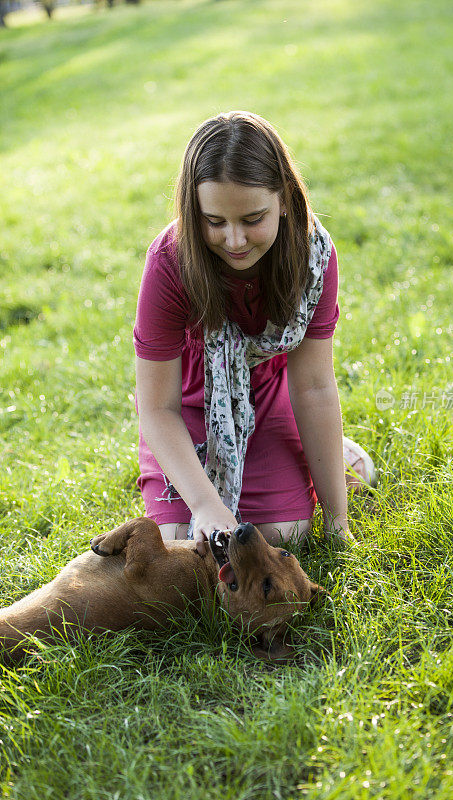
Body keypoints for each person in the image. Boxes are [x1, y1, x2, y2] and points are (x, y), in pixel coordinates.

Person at [133, 111, 375, 556]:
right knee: (186, 546)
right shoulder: (171, 261)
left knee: (283, 535)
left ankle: (332, 454)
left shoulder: (312, 257)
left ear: (283, 198)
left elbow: (315, 387)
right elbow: (156, 405)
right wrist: (205, 504)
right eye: (215, 221)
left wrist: (338, 524)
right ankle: (302, 458)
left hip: (267, 396)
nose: (235, 239)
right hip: (186, 406)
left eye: (252, 218)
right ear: (193, 210)